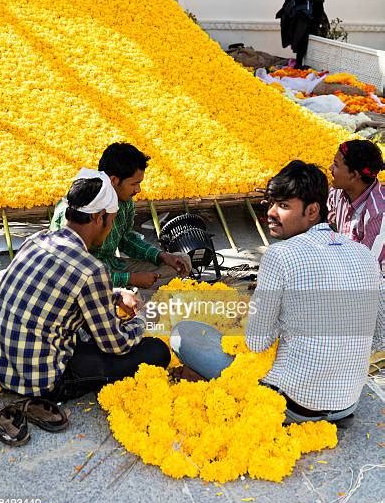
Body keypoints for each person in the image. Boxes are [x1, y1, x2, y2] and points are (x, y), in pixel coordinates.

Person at [170, 161, 384, 425]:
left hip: (294, 405)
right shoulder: (362, 253)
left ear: (313, 210)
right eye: (271, 203)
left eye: (283, 206)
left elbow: (257, 342)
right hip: (346, 404)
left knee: (184, 334)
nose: (271, 212)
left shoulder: (281, 255)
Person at [0, 172, 170, 401]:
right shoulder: (91, 270)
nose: (111, 226)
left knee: (87, 330)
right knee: (156, 351)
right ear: (99, 217)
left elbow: (60, 291)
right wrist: (144, 317)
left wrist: (115, 295)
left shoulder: (38, 240)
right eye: (111, 219)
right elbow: (116, 344)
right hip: (42, 383)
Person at [51, 142, 190, 291]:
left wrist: (161, 255)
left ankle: (126, 293)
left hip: (111, 266)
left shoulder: (125, 201)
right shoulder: (77, 207)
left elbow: (126, 238)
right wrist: (130, 279)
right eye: (134, 184)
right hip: (80, 279)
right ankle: (125, 294)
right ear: (114, 180)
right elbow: (73, 273)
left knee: (182, 262)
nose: (138, 189)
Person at [328, 140, 384, 273]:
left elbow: (371, 270)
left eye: (336, 164)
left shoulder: (379, 214)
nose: (330, 168)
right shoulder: (338, 192)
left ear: (354, 175)